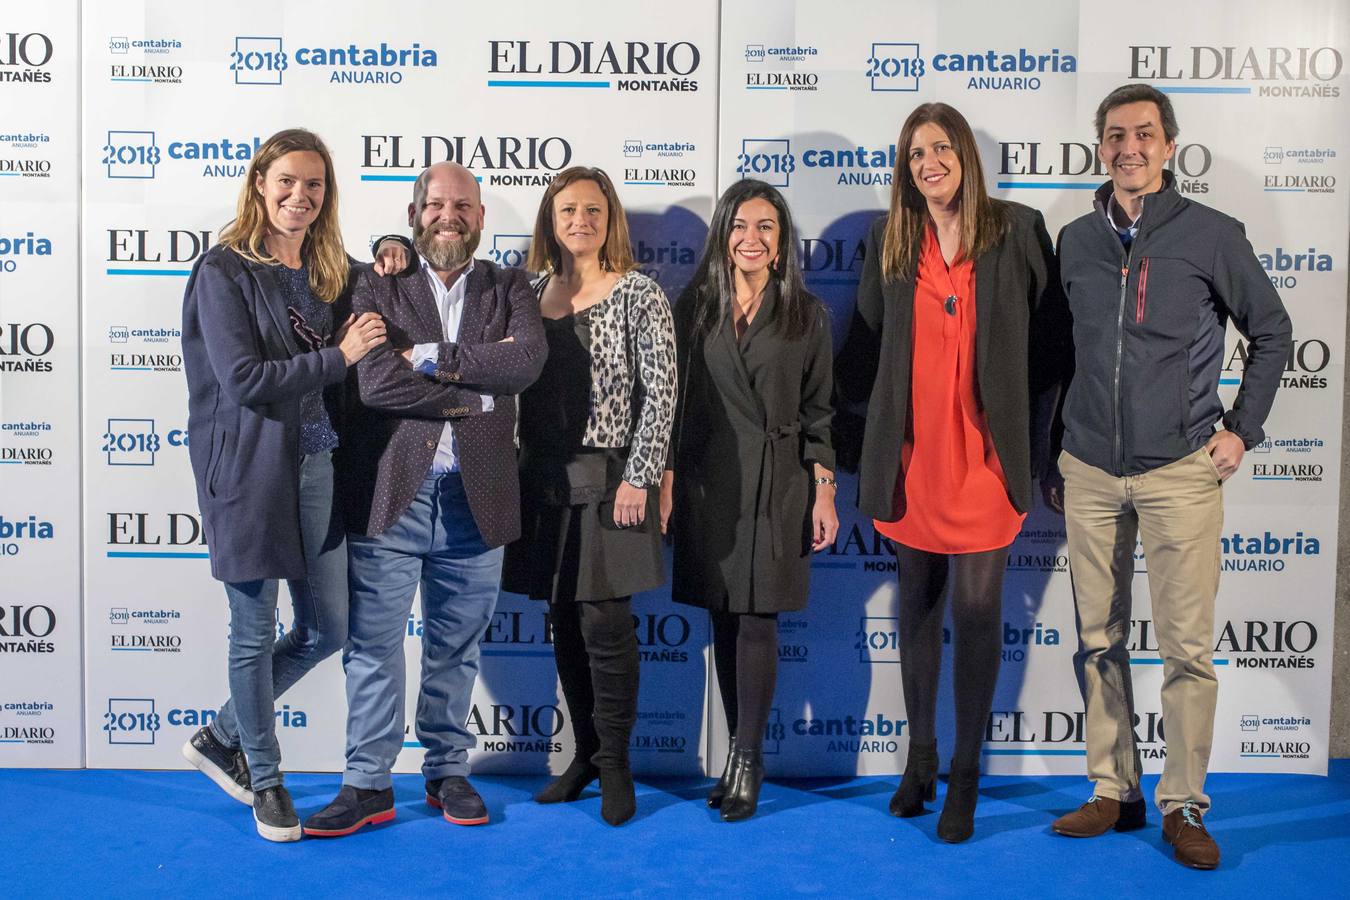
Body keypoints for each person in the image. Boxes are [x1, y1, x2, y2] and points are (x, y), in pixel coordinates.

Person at [1047, 84, 1291, 870]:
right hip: (1088, 468)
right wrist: (1054, 448)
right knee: (1098, 640)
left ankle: (1182, 803)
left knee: (1186, 649)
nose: (1129, 148)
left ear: (1169, 147)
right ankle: (1112, 789)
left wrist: (1241, 431)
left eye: (1144, 135)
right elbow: (1062, 358)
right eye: (1115, 135)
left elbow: (1273, 329)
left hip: (1182, 470)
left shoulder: (1211, 234)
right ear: (1100, 148)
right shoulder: (1076, 240)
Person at [835, 102, 1067, 843]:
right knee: (917, 613)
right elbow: (865, 347)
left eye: (940, 148)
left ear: (964, 153)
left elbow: (1054, 348)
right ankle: (920, 760)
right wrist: (842, 452)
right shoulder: (889, 239)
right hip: (913, 460)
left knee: (976, 617)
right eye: (913, 154)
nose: (928, 163)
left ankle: (966, 773)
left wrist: (1040, 448)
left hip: (986, 460)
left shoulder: (1019, 229)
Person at [302, 161, 546, 837]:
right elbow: (376, 383)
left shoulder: (511, 285)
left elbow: (524, 362)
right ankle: (368, 783)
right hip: (392, 493)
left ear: (481, 217)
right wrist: (479, 389)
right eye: (436, 204)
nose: (449, 215)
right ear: (414, 216)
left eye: (462, 205)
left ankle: (446, 770)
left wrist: (431, 356)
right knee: (373, 644)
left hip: (481, 493)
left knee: (456, 646)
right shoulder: (376, 281)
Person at [180, 128, 387, 842]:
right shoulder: (224, 269)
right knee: (252, 630)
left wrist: (396, 249)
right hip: (248, 468)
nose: (301, 196)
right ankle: (265, 778)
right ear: (260, 183)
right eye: (288, 182)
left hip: (317, 467)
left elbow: (387, 275)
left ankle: (221, 735)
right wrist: (338, 356)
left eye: (316, 185)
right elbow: (242, 381)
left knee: (328, 628)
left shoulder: (330, 266)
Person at [498, 166, 676, 827]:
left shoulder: (639, 295)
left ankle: (617, 766)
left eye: (593, 210)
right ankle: (584, 755)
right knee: (564, 621)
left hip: (612, 478)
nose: (580, 220)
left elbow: (661, 393)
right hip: (540, 477)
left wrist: (642, 474)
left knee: (606, 623)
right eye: (567, 209)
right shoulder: (530, 293)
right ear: (551, 218)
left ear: (610, 220)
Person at [660, 179, 837, 822]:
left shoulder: (805, 314)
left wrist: (823, 492)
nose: (752, 239)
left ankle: (748, 757)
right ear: (723, 235)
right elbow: (671, 406)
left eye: (766, 226)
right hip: (710, 481)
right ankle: (741, 751)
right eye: (740, 225)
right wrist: (668, 476)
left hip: (779, 481)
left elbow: (821, 413)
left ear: (783, 238)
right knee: (725, 619)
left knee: (760, 618)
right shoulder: (695, 308)